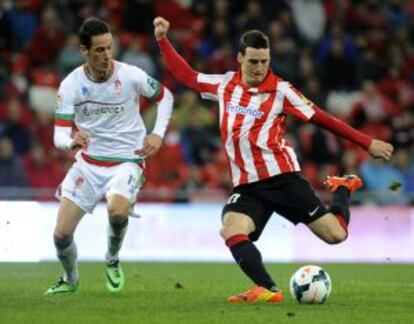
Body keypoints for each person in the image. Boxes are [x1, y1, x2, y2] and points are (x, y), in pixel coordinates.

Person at [153, 17, 393, 303]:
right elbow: (187, 75)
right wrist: (162, 40)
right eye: (253, 61)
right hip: (247, 185)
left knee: (336, 236)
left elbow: (322, 118)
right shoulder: (225, 85)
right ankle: (268, 289)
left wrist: (367, 143)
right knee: (231, 229)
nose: (259, 68)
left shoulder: (282, 90)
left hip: (282, 179)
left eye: (264, 61)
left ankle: (344, 187)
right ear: (239, 58)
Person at [45, 17, 173, 295]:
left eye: (109, 47)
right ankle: (70, 279)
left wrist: (157, 134)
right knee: (61, 234)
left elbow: (166, 96)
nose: (106, 55)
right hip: (89, 165)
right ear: (84, 51)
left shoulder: (130, 75)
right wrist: (71, 142)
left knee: (117, 210)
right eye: (99, 50)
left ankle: (112, 259)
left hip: (128, 161)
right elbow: (59, 136)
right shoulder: (70, 86)